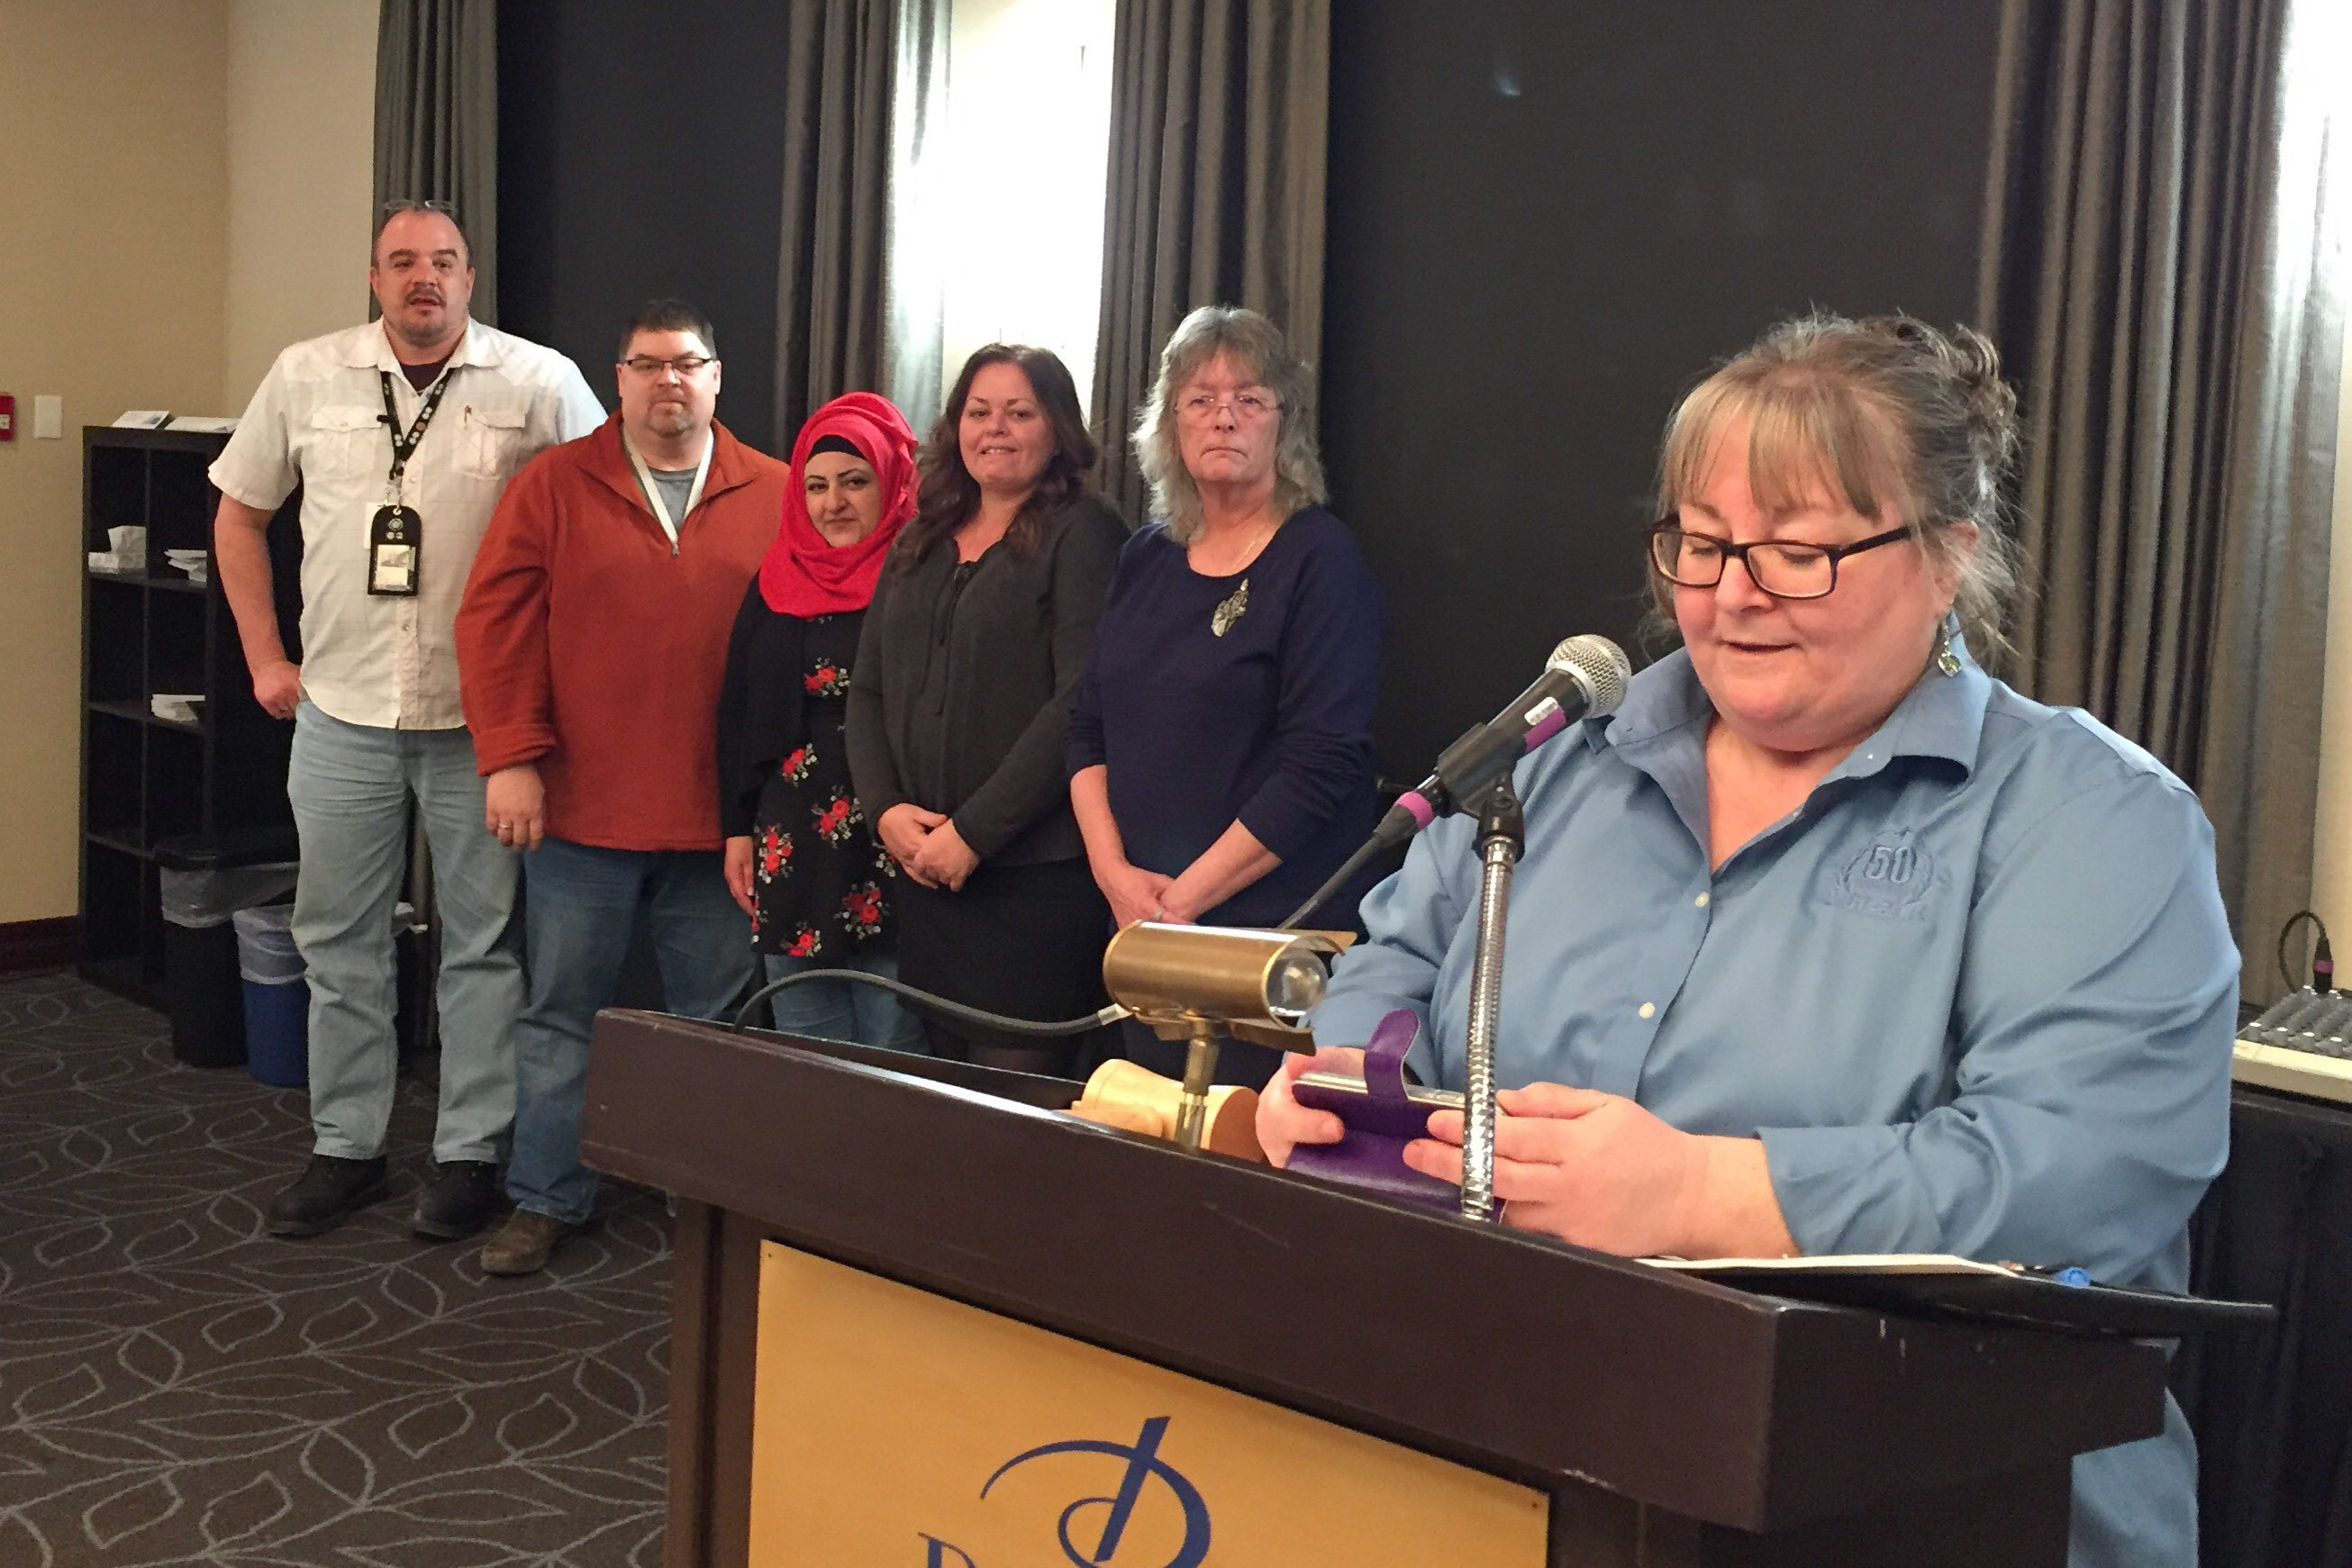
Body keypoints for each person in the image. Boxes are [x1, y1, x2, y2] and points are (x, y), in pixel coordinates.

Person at [1258, 313, 2234, 1568]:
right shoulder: (1556, 763)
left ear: (1946, 557)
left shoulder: (2091, 821)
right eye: (1702, 544)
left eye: (1795, 553)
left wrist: (1706, 1194)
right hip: (1523, 1479)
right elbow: (1394, 962)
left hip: (1937, 1508)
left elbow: (2080, 1173)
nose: (1729, 595)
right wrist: (1351, 1089)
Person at [211, 200, 604, 1242]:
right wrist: (264, 657)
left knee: (484, 946)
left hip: (486, 725)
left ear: (469, 278)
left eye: (442, 262)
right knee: (337, 939)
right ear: (374, 278)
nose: (422, 279)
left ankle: (469, 1152)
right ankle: (346, 1144)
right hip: (339, 712)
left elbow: (603, 523)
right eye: (401, 263)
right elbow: (239, 514)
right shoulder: (305, 374)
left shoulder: (540, 381)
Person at [452, 299, 784, 1275]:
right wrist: (509, 757)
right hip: (580, 811)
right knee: (562, 1014)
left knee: (711, 1030)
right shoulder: (555, 483)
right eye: (645, 365)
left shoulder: (773, 491)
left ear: (717, 378)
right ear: (619, 379)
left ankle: (706, 1200)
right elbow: (494, 625)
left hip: (717, 818)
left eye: (687, 363)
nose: (667, 382)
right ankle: (547, 1195)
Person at [1067, 305, 1385, 1088]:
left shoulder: (1321, 560)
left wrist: (1181, 900)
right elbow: (1085, 731)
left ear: (1285, 423)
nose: (1224, 418)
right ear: (1170, 423)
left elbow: (1320, 767)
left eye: (1249, 399)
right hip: (1141, 932)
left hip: (1267, 947)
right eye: (1200, 399)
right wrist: (1115, 877)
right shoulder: (1144, 557)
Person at [846, 346, 1126, 1074]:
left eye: (1019, 411)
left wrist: (972, 833)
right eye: (978, 411)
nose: (994, 428)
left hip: (1030, 878)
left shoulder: (1085, 530)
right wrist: (884, 810)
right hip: (929, 875)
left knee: (1015, 1111)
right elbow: (869, 685)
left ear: (1057, 426)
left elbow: (1082, 700)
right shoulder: (920, 533)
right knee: (942, 1093)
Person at [715, 392, 924, 1051]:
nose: (833, 502)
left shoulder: (927, 576)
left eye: (854, 481)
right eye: (816, 485)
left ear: (890, 483)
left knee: (893, 1047)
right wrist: (736, 829)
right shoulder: (776, 578)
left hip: (896, 829)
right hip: (792, 836)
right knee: (806, 1049)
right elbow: (737, 710)